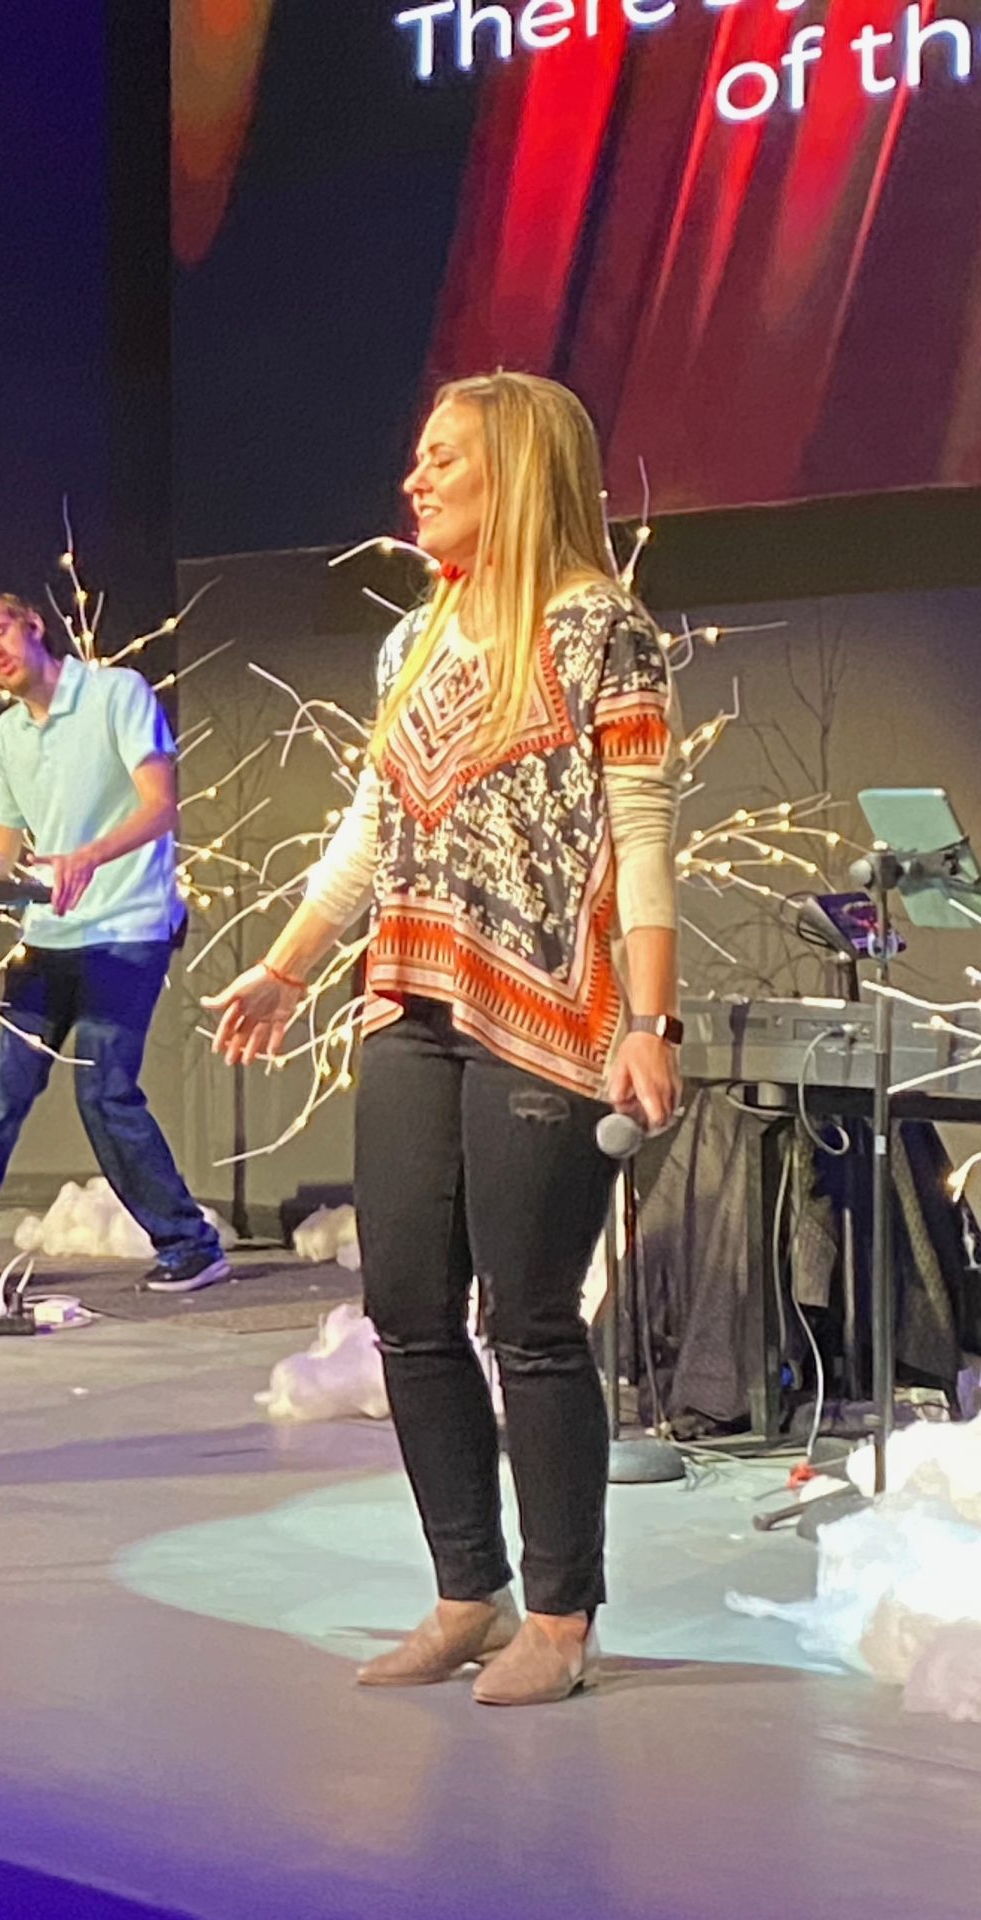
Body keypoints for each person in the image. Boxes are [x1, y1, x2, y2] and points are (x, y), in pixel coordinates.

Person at [206, 371, 680, 1707]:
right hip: (411, 1002)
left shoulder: (602, 631)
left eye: (443, 463)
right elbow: (373, 827)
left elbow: (643, 839)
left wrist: (651, 1018)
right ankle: (465, 1592)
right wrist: (290, 967)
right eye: (415, 461)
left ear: (518, 475)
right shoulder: (408, 640)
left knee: (529, 1319)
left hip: (545, 1015)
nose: (413, 483)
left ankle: (563, 1617)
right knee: (408, 1308)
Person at [0, 592, 229, 1294]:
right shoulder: (10, 736)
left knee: (104, 1090)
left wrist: (89, 856)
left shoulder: (116, 693)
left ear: (32, 624)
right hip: (49, 934)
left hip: (128, 926)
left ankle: (190, 1242)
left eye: (0, 633)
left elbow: (159, 805)